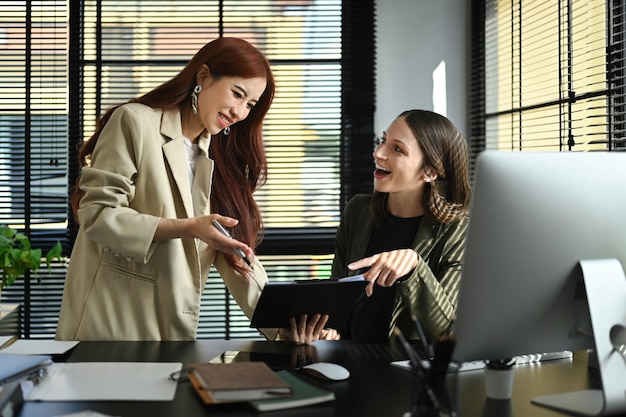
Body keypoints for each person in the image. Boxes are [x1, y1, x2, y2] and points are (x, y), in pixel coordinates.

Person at [56, 37, 291, 341]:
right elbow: (98, 216)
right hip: (106, 329)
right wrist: (188, 227)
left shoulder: (219, 160)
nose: (240, 112)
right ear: (203, 76)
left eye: (250, 105)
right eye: (237, 94)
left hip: (171, 341)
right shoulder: (134, 122)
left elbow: (238, 259)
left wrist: (285, 327)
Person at [328, 109, 471, 345]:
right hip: (349, 362)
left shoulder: (457, 232)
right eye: (383, 141)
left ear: (429, 172)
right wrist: (326, 329)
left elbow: (446, 332)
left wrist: (415, 268)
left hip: (410, 372)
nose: (378, 153)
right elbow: (336, 300)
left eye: (397, 149)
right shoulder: (357, 211)